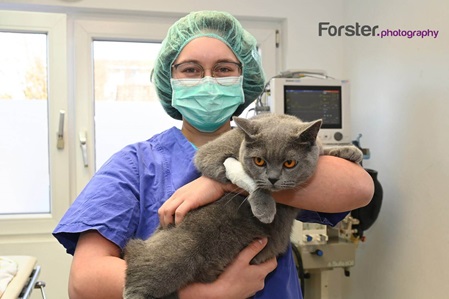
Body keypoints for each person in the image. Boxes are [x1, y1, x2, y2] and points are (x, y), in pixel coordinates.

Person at [53, 10, 374, 299]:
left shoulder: (273, 146)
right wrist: (202, 295)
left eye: (223, 69)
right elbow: (84, 281)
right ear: (170, 80)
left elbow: (359, 188)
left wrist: (225, 182)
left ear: (243, 78)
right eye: (191, 70)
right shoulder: (137, 163)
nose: (208, 80)